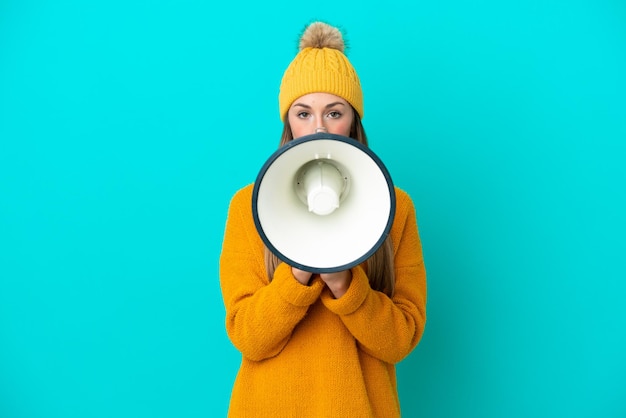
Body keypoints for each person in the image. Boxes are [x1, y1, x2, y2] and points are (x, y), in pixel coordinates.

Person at [219, 21, 427, 417]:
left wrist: (347, 286)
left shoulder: (397, 208)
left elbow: (401, 340)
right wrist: (296, 276)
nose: (318, 127)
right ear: (288, 122)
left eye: (334, 112)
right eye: (303, 113)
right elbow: (248, 337)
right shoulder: (247, 206)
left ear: (353, 121)